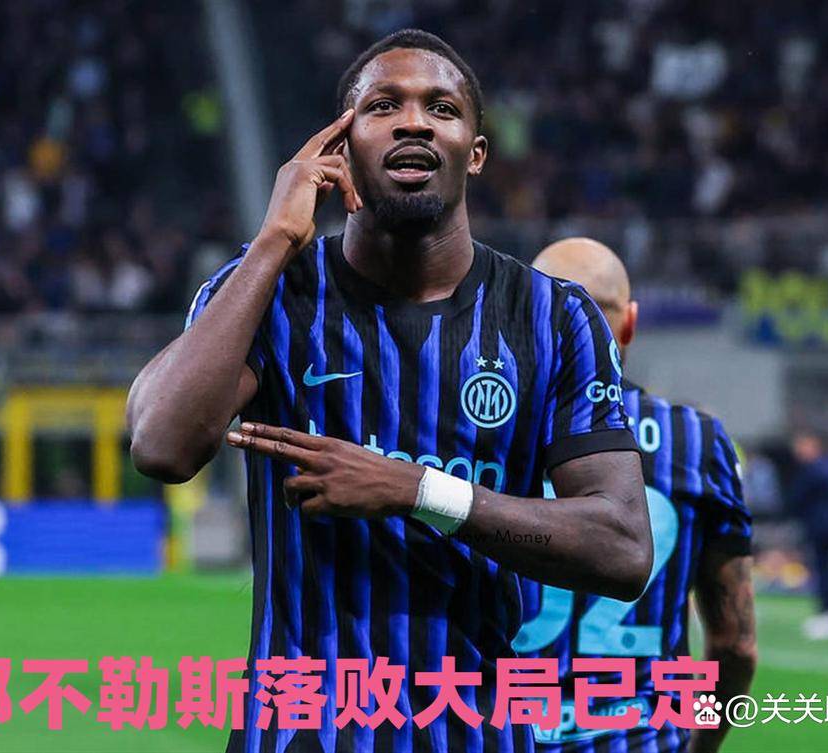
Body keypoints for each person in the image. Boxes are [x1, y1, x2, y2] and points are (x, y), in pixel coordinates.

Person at [127, 29, 652, 752]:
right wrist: (275, 238)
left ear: (475, 152)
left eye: (441, 108)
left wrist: (417, 490)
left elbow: (622, 547)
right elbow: (160, 445)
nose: (414, 122)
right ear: (339, 148)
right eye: (383, 106)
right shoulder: (271, 293)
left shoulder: (553, 318)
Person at [523, 238, 756, 753]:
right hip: (642, 737)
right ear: (629, 323)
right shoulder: (695, 441)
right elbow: (735, 647)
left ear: (526, 323)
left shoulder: (481, 434)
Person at [787, 429, 828, 640]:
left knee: (823, 568)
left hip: (820, 524)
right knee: (826, 568)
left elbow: (798, 497)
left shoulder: (815, 469)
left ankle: (827, 611)